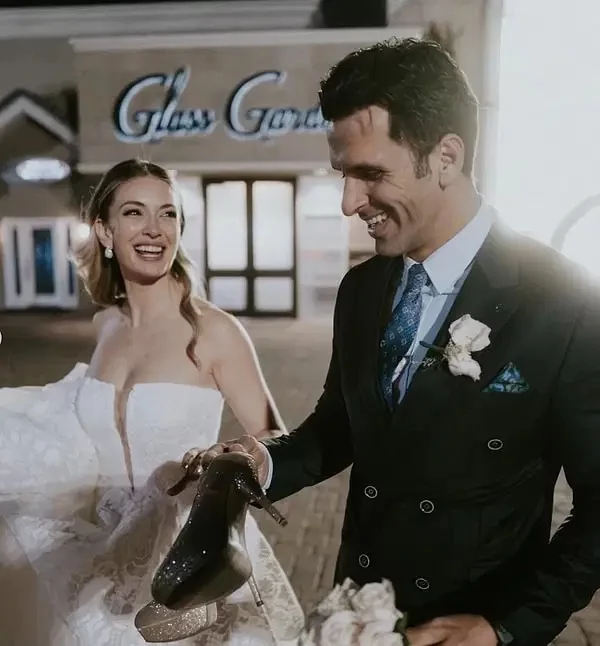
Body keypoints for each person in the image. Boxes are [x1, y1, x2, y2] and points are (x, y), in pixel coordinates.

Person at [203, 38, 600, 646]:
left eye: (370, 174)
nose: (349, 203)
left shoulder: (563, 301)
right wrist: (265, 460)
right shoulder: (361, 289)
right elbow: (340, 425)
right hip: (357, 615)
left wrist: (505, 627)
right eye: (343, 175)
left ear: (446, 157)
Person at [0, 159, 304, 645]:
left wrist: (230, 458)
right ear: (105, 230)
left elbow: (275, 437)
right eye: (134, 212)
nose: (154, 229)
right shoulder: (106, 325)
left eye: (168, 214)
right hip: (100, 554)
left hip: (181, 560)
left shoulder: (214, 331)